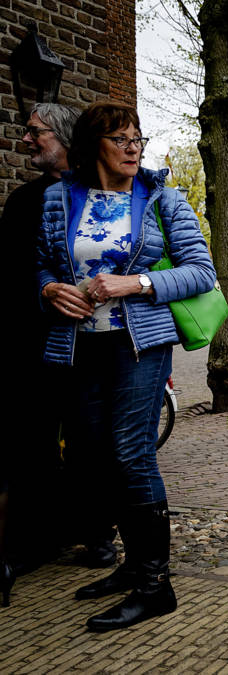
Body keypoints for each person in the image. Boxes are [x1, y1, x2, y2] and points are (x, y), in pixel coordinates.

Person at [35, 101, 216, 631]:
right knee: (92, 456)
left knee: (130, 452)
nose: (133, 146)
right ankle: (130, 564)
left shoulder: (163, 198)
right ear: (95, 147)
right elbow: (42, 265)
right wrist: (49, 289)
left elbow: (200, 272)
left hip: (139, 345)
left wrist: (133, 283)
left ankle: (155, 585)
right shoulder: (58, 199)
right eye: (121, 138)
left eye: (137, 137)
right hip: (79, 344)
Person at [2, 103, 82, 598]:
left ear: (65, 137)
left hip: (92, 342)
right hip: (31, 342)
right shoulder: (23, 200)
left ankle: (91, 530)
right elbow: (10, 272)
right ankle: (36, 541)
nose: (26, 140)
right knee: (32, 440)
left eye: (35, 132)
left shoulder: (97, 192)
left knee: (91, 440)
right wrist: (46, 291)